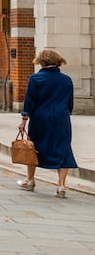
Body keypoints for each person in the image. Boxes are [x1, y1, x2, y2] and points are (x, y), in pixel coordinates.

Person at [18, 48, 79, 197]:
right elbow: (70, 103)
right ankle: (61, 186)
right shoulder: (66, 79)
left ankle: (30, 180)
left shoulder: (36, 78)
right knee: (63, 148)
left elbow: (30, 101)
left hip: (40, 119)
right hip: (61, 118)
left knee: (33, 147)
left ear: (42, 62)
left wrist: (24, 119)